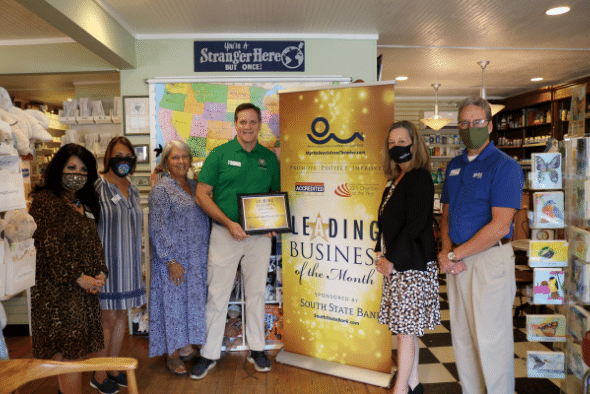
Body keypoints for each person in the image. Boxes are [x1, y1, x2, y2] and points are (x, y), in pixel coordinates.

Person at [438, 96, 524, 394]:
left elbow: (500, 225)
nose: (470, 128)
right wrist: (447, 250)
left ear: (489, 125)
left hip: (488, 260)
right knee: (462, 337)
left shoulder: (505, 167)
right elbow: (446, 214)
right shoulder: (454, 165)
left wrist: (453, 254)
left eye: (476, 123)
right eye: (464, 123)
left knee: (491, 339)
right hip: (457, 260)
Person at [192, 103, 280, 379]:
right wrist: (229, 224)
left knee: (255, 294)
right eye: (243, 122)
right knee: (217, 296)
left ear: (260, 124)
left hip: (258, 239)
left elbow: (275, 196)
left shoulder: (269, 158)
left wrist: (272, 224)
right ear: (235, 123)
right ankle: (208, 353)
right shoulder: (219, 154)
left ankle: (257, 349)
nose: (248, 127)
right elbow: (202, 195)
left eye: (253, 122)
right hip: (224, 235)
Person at [29, 143, 109, 394]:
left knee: (76, 352)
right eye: (71, 167)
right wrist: (78, 277)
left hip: (83, 292)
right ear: (58, 169)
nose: (78, 174)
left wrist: (101, 272)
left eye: (84, 169)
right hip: (57, 293)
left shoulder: (82, 202)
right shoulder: (44, 201)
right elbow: (49, 247)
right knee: (68, 354)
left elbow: (94, 243)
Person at [374, 121, 440, 394]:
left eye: (402, 142)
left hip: (410, 266)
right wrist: (383, 253)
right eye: (392, 143)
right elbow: (390, 223)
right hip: (398, 264)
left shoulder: (420, 177)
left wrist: (391, 259)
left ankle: (401, 388)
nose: (396, 147)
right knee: (407, 330)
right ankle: (413, 384)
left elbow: (413, 225)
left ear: (415, 144)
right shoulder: (394, 181)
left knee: (404, 332)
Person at [148, 139, 210, 375]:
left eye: (184, 157)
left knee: (189, 305)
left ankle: (185, 348)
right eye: (175, 157)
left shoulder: (195, 187)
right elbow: (158, 228)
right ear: (166, 162)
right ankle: (172, 355)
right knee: (171, 307)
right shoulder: (161, 190)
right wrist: (170, 261)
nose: (181, 161)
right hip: (173, 262)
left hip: (195, 261)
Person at [93, 136, 146, 391]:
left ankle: (113, 367)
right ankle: (99, 373)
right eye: (118, 156)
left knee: (122, 315)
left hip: (130, 265)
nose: (122, 161)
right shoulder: (97, 186)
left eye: (127, 157)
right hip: (106, 266)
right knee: (107, 319)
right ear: (108, 158)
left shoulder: (132, 188)